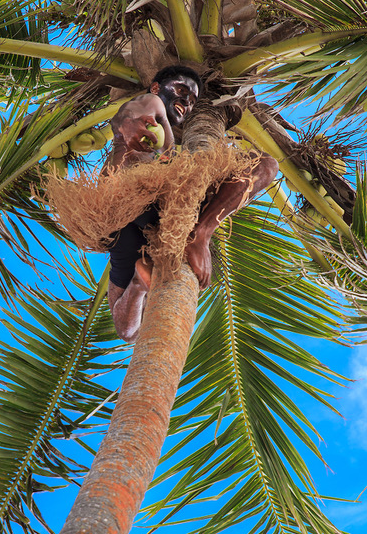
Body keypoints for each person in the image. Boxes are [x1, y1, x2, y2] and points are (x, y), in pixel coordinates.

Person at [105, 66, 277, 342]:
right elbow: (129, 114)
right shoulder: (152, 105)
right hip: (130, 202)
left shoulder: (169, 141)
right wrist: (128, 123)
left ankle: (139, 283)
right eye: (181, 91)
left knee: (128, 331)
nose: (186, 103)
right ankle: (201, 234)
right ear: (156, 87)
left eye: (192, 101)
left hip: (131, 225)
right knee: (266, 165)